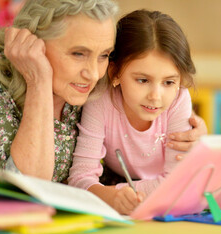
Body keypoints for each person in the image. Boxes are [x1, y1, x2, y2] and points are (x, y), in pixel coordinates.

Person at [0, 0, 207, 182]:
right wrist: (38, 80)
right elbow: (19, 188)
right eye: (78, 54)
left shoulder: (98, 87)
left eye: (104, 55)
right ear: (33, 42)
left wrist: (190, 133)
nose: (93, 74)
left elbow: (136, 145)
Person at [68, 9, 199, 215]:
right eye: (143, 80)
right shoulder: (100, 101)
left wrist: (112, 195)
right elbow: (79, 177)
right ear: (115, 73)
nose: (156, 96)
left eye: (169, 82)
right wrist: (111, 197)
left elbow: (176, 183)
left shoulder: (178, 99)